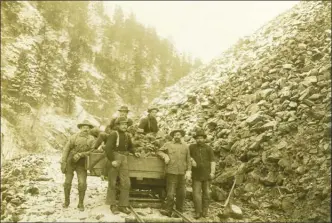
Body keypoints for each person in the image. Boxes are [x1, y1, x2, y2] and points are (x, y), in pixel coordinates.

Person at [104, 117, 140, 214]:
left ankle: (123, 206)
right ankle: (113, 205)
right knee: (113, 182)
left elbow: (130, 147)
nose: (124, 126)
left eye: (126, 124)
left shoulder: (127, 135)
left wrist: (135, 152)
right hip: (115, 157)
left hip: (124, 158)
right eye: (122, 124)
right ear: (118, 125)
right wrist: (112, 160)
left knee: (126, 183)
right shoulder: (113, 134)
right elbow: (108, 148)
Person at [60, 120, 96, 211]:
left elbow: (92, 151)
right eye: (84, 127)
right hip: (70, 161)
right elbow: (66, 150)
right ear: (80, 128)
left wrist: (81, 154)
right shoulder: (73, 137)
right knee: (67, 182)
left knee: (82, 183)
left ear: (90, 129)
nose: (86, 129)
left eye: (87, 128)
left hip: (82, 162)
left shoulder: (92, 139)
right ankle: (66, 202)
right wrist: (63, 162)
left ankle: (80, 203)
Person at [157, 129, 192, 217]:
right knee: (171, 192)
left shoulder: (186, 146)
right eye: (175, 135)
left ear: (181, 136)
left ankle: (179, 211)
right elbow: (159, 151)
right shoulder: (168, 144)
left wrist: (189, 171)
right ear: (173, 136)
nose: (177, 136)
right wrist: (165, 156)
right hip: (171, 171)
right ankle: (168, 210)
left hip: (182, 172)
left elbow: (188, 159)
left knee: (181, 192)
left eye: (179, 135)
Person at [189, 130, 216, 219]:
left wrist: (212, 172)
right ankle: (198, 212)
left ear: (204, 139)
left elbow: (213, 161)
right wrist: (191, 160)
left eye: (201, 138)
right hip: (196, 175)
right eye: (197, 138)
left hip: (206, 175)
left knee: (207, 194)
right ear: (195, 139)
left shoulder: (208, 148)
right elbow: (187, 156)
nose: (199, 140)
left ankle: (205, 211)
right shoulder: (191, 147)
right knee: (196, 194)